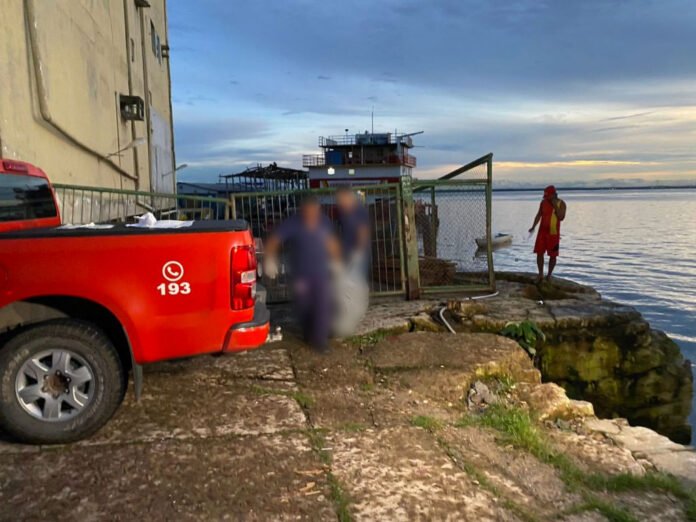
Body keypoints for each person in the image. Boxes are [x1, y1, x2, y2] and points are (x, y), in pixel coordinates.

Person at [264, 196, 339, 353]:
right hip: (301, 274)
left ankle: (319, 340)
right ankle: (308, 331)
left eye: (314, 209)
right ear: (302, 209)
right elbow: (274, 240)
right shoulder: (293, 223)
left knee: (321, 305)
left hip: (321, 272)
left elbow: (331, 242)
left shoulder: (324, 222)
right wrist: (270, 259)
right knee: (304, 305)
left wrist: (336, 261)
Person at [529, 185, 567, 282]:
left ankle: (549, 275)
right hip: (542, 232)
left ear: (554, 195)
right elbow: (539, 215)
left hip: (553, 233)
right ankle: (540, 274)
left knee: (553, 255)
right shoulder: (543, 203)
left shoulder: (561, 203)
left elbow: (561, 217)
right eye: (545, 196)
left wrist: (555, 206)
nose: (546, 198)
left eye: (548, 196)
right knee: (539, 253)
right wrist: (533, 226)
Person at [335, 186, 370, 275]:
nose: (339, 202)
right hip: (348, 253)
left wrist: (358, 253)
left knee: (357, 281)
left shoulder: (359, 211)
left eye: (341, 198)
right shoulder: (344, 213)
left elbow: (363, 232)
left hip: (357, 254)